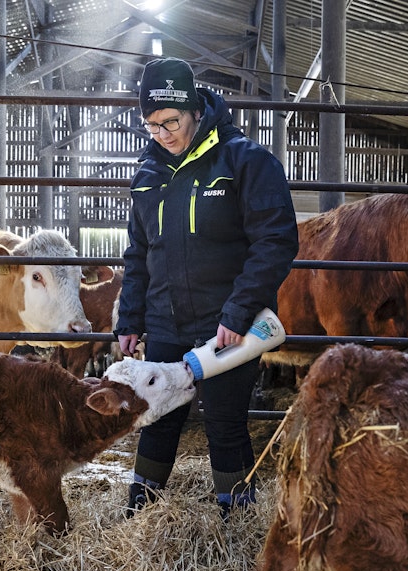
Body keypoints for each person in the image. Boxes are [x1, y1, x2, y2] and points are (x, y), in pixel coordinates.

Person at [114, 57, 299, 518]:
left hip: (226, 326)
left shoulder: (244, 161)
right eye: (152, 125)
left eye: (171, 121)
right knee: (158, 415)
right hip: (165, 320)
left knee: (224, 421)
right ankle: (139, 517)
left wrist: (238, 312)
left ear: (195, 110)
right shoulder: (148, 175)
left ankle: (236, 519)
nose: (162, 134)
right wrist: (130, 318)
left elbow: (275, 241)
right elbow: (139, 253)